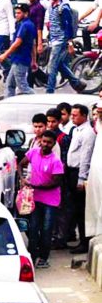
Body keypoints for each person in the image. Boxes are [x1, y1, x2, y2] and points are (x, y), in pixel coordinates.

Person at [21, 131, 65, 269]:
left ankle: (44, 258)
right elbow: (20, 164)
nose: (45, 145)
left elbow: (56, 182)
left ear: (54, 144)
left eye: (49, 142)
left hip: (50, 201)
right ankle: (32, 256)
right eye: (43, 141)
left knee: (46, 229)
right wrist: (22, 180)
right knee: (33, 228)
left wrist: (35, 186)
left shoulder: (56, 161)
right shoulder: (33, 153)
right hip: (35, 198)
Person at [65, 104, 95, 254]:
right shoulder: (76, 130)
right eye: (72, 115)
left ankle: (85, 240)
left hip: (79, 173)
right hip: (71, 171)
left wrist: (81, 178)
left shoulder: (88, 133)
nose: (72, 118)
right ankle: (80, 239)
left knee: (81, 209)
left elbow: (85, 157)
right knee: (75, 209)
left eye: (75, 115)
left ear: (84, 116)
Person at [45, 0, 85, 93]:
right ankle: (76, 83)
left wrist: (70, 43)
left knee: (52, 67)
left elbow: (68, 26)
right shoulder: (51, 6)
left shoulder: (64, 8)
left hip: (60, 40)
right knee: (58, 64)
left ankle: (50, 90)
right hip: (54, 39)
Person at [0, 4, 37, 98]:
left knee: (23, 86)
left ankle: (38, 99)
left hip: (21, 59)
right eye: (16, 13)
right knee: (10, 84)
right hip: (18, 59)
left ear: (26, 13)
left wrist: (5, 54)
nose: (16, 15)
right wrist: (34, 60)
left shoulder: (25, 25)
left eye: (19, 13)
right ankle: (8, 103)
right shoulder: (24, 24)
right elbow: (32, 44)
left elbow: (18, 42)